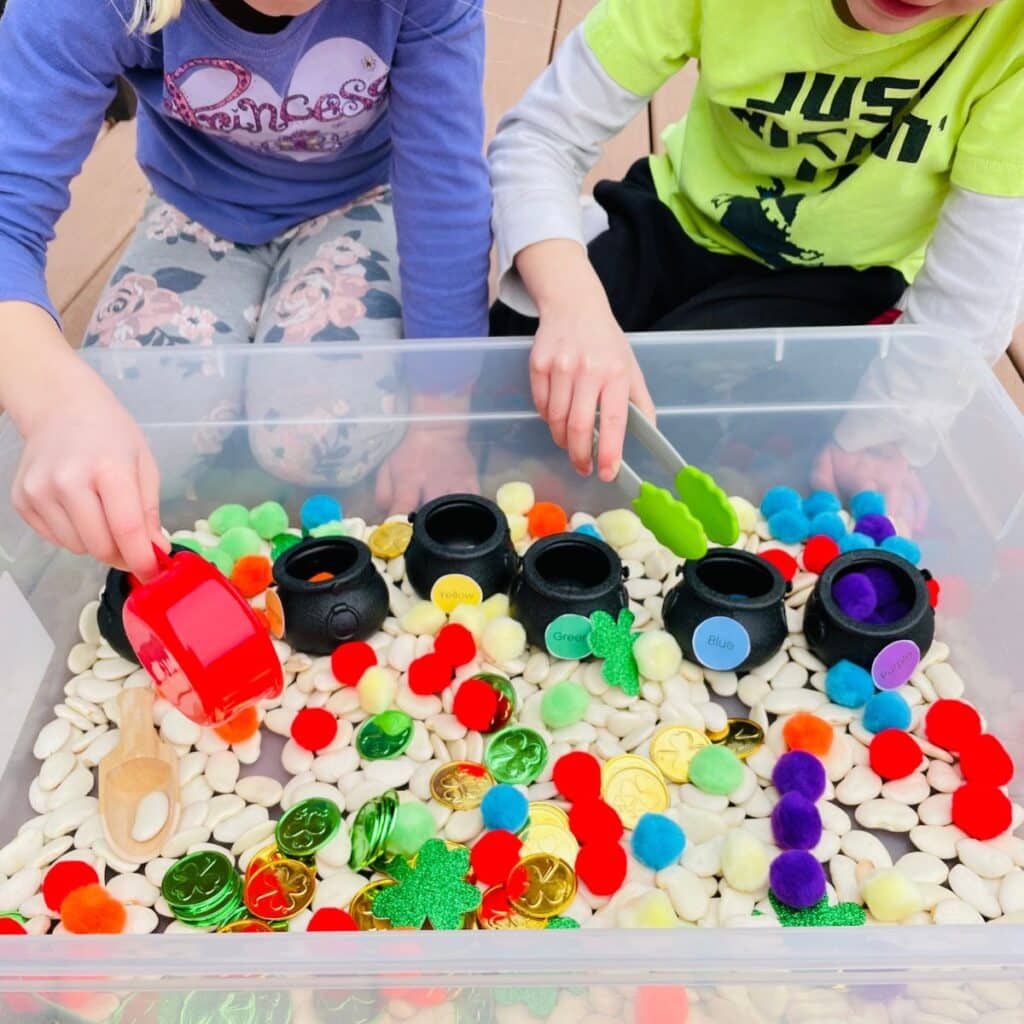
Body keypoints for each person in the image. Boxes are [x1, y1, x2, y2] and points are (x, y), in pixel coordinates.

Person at [0, 0, 490, 578]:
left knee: (326, 428)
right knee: (135, 436)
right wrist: (56, 404)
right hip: (194, 204)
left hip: (361, 195)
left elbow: (442, 190)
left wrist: (442, 420)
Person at [489, 0, 1024, 498]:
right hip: (678, 214)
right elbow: (541, 137)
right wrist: (575, 309)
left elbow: (974, 293)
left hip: (843, 276)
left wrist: (884, 436)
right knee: (516, 362)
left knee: (697, 431)